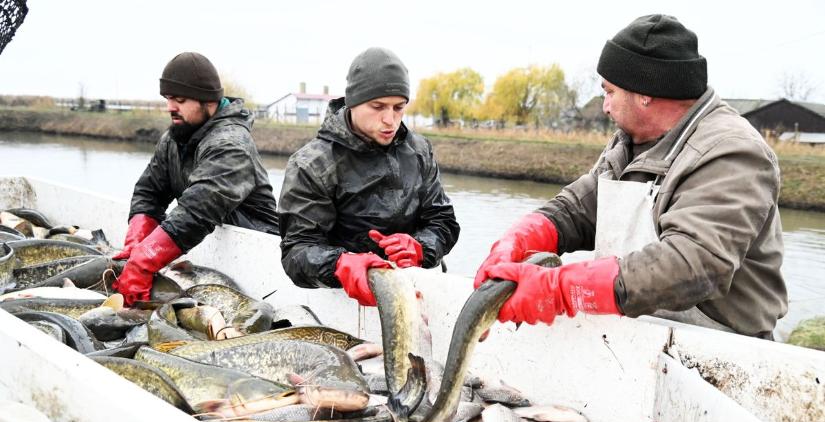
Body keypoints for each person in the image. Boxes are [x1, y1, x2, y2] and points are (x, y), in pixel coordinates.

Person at [474, 15, 786, 339]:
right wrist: (526, 235)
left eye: (610, 92)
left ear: (644, 94)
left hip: (721, 351)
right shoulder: (631, 139)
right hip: (636, 335)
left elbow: (693, 265)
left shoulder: (733, 153)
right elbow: (582, 206)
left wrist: (563, 289)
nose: (605, 106)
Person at [278, 47, 460, 306]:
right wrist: (341, 264)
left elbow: (444, 222)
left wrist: (421, 248)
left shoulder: (419, 151)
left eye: (399, 107)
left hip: (417, 291)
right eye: (378, 107)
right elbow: (296, 251)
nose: (390, 120)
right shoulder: (312, 164)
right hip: (347, 300)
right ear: (353, 102)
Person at [113, 52, 279, 306]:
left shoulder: (231, 145)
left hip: (258, 264)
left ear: (208, 101)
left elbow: (196, 213)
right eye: (168, 98)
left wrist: (144, 261)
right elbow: (150, 191)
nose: (170, 107)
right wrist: (137, 238)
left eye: (179, 99)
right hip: (209, 253)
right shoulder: (174, 137)